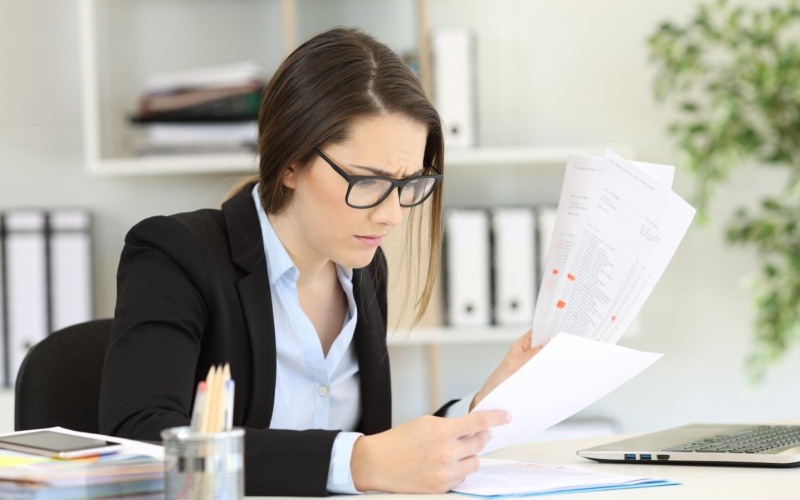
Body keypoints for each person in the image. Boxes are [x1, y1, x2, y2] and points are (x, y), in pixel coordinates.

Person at [99, 27, 541, 496]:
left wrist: (477, 414)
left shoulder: (363, 269)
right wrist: (354, 461)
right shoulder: (176, 253)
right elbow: (139, 438)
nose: (391, 214)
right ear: (290, 162)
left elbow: (375, 457)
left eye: (410, 183)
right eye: (367, 180)